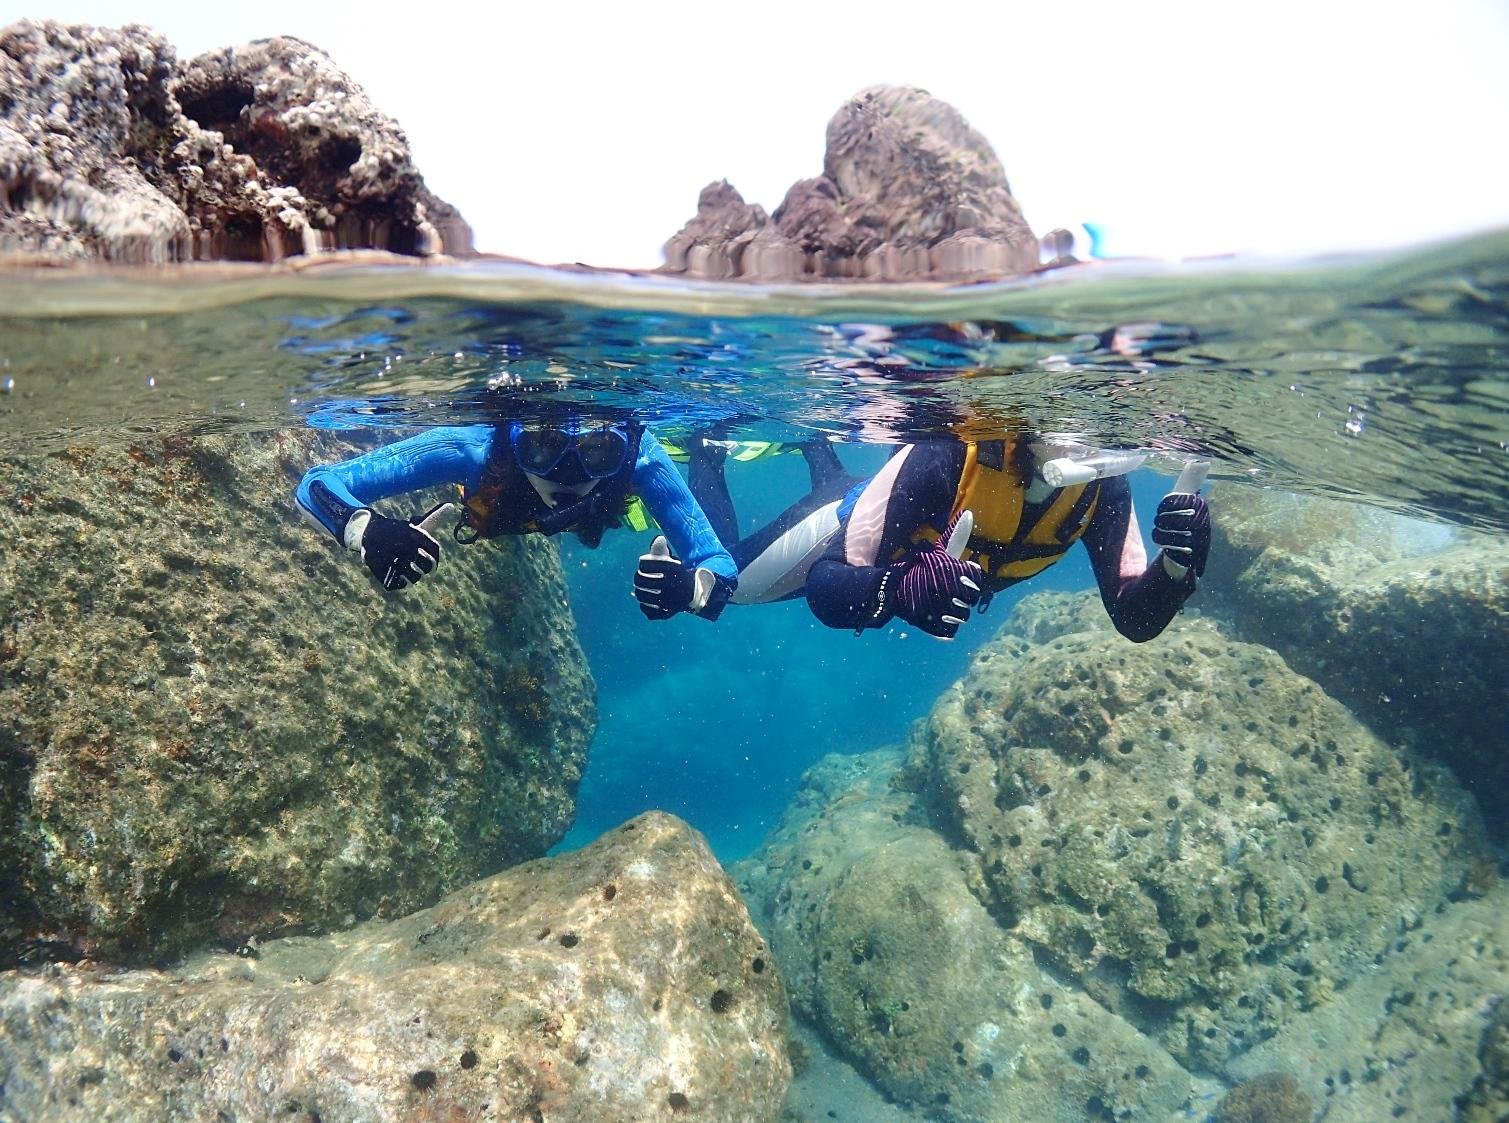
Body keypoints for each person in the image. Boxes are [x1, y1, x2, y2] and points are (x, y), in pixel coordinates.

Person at [295, 412, 739, 621]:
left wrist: (693, 589)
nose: (569, 474)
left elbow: (717, 561)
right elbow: (318, 485)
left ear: (622, 449)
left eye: (598, 450)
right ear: (510, 440)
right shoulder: (474, 447)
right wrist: (365, 529)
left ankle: (705, 456)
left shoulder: (641, 457)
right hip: (492, 504)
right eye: (542, 445)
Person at [803, 436, 1211, 641]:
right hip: (856, 516)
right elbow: (824, 586)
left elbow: (1135, 618)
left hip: (907, 530)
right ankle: (813, 447)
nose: (1085, 438)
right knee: (744, 587)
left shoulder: (1103, 488)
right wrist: (896, 588)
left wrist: (1176, 565)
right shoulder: (948, 454)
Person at [676, 435, 865, 605]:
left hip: (862, 499)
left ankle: (813, 440)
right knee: (723, 580)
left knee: (837, 488)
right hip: (854, 517)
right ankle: (707, 449)